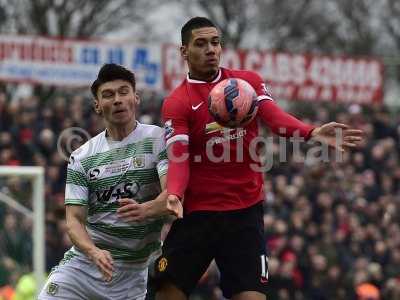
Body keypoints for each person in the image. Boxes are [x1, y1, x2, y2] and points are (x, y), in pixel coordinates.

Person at [154, 17, 363, 300]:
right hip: (197, 215)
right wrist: (175, 193)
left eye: (215, 42)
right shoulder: (178, 102)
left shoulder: (246, 83)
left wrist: (310, 132)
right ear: (184, 52)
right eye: (201, 44)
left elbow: (274, 118)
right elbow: (178, 155)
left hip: (244, 214)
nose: (211, 50)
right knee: (167, 293)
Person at [38, 63, 182, 300]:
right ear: (97, 105)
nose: (117, 100)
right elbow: (74, 220)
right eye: (108, 95)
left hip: (132, 275)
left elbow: (172, 195)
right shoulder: (82, 156)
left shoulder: (158, 140)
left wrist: (145, 210)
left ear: (135, 98)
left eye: (123, 92)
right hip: (84, 267)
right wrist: (93, 252)